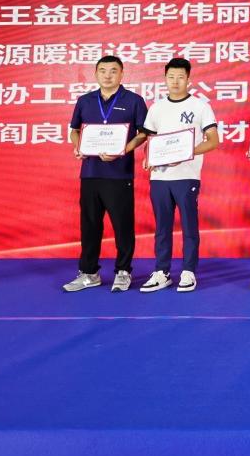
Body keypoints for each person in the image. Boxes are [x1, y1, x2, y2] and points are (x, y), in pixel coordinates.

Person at [64, 55, 149, 292]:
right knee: (90, 225)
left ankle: (123, 271)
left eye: (113, 71)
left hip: (119, 174)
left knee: (122, 225)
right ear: (96, 74)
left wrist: (123, 150)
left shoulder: (134, 101)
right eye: (102, 70)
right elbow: (74, 130)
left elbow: (144, 133)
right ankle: (89, 272)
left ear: (121, 74)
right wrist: (78, 146)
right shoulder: (85, 101)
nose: (108, 75)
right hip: (90, 173)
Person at [138, 58, 220, 293]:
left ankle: (188, 271)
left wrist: (185, 153)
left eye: (180, 77)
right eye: (171, 77)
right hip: (159, 177)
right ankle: (162, 272)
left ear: (189, 80)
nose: (175, 81)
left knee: (188, 226)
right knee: (162, 228)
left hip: (186, 175)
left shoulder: (200, 106)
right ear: (165, 79)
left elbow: (213, 141)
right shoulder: (157, 108)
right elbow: (150, 140)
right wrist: (148, 157)